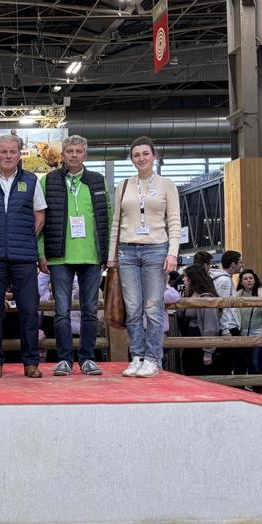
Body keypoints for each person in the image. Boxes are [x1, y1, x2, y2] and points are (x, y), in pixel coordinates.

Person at [107, 136, 181, 378]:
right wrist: (111, 257)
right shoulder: (124, 185)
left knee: (153, 307)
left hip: (156, 249)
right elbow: (116, 222)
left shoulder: (167, 184)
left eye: (145, 154)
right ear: (131, 159)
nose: (141, 158)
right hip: (127, 250)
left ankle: (153, 358)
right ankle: (136, 356)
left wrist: (173, 252)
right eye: (136, 155)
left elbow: (174, 221)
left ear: (154, 156)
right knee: (133, 307)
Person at [38, 134, 110, 376]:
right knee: (61, 311)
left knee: (90, 311)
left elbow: (107, 218)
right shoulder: (48, 181)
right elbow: (39, 218)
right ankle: (65, 359)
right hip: (59, 257)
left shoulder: (98, 181)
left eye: (79, 151)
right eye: (70, 151)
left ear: (85, 155)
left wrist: (108, 253)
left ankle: (88, 358)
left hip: (91, 256)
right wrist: (41, 253)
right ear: (63, 155)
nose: (74, 155)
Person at [0, 134, 47, 379]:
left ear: (20, 154)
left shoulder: (31, 180)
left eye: (12, 152)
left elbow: (40, 215)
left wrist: (27, 237)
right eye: (3, 152)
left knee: (29, 310)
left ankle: (31, 362)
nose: (7, 156)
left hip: (24, 257)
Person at [176, 265, 221, 376]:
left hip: (201, 344)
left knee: (201, 374)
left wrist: (208, 352)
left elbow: (211, 326)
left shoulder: (206, 298)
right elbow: (180, 314)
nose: (183, 279)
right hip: (190, 341)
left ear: (193, 278)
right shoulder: (191, 295)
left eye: (186, 276)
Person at [236, 269, 262, 374]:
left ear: (255, 280)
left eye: (251, 278)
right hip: (243, 333)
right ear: (241, 282)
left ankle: (259, 387)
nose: (248, 280)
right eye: (245, 279)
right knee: (247, 361)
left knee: (256, 361)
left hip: (260, 332)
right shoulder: (236, 296)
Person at [210, 251, 242, 341]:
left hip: (228, 325)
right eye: (240, 262)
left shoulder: (225, 278)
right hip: (229, 326)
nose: (242, 265)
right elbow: (221, 306)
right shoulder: (224, 280)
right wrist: (225, 329)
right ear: (233, 264)